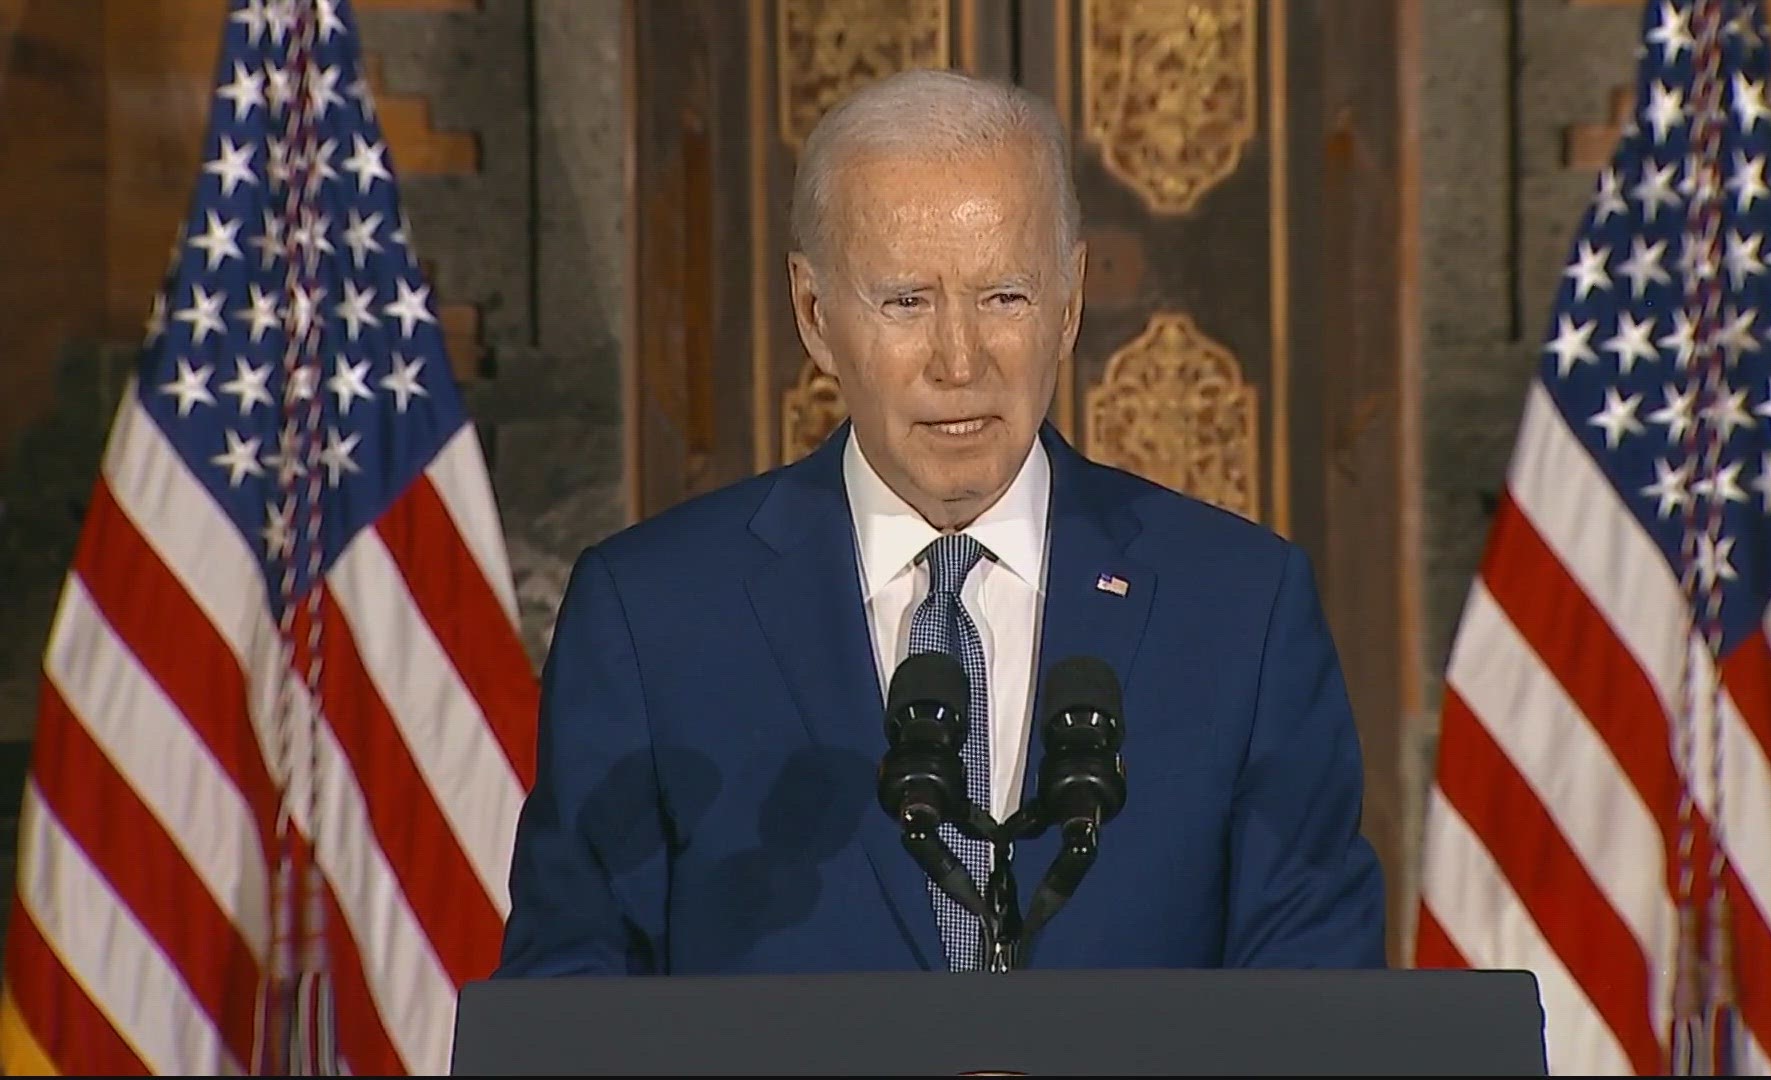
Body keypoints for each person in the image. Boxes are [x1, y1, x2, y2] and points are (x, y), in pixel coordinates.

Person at [495, 67, 1385, 977]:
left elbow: (1317, 998)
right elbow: (571, 1002)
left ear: (1070, 301)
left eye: (1005, 297)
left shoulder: (1242, 609)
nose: (960, 362)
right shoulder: (653, 618)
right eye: (906, 302)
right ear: (814, 315)